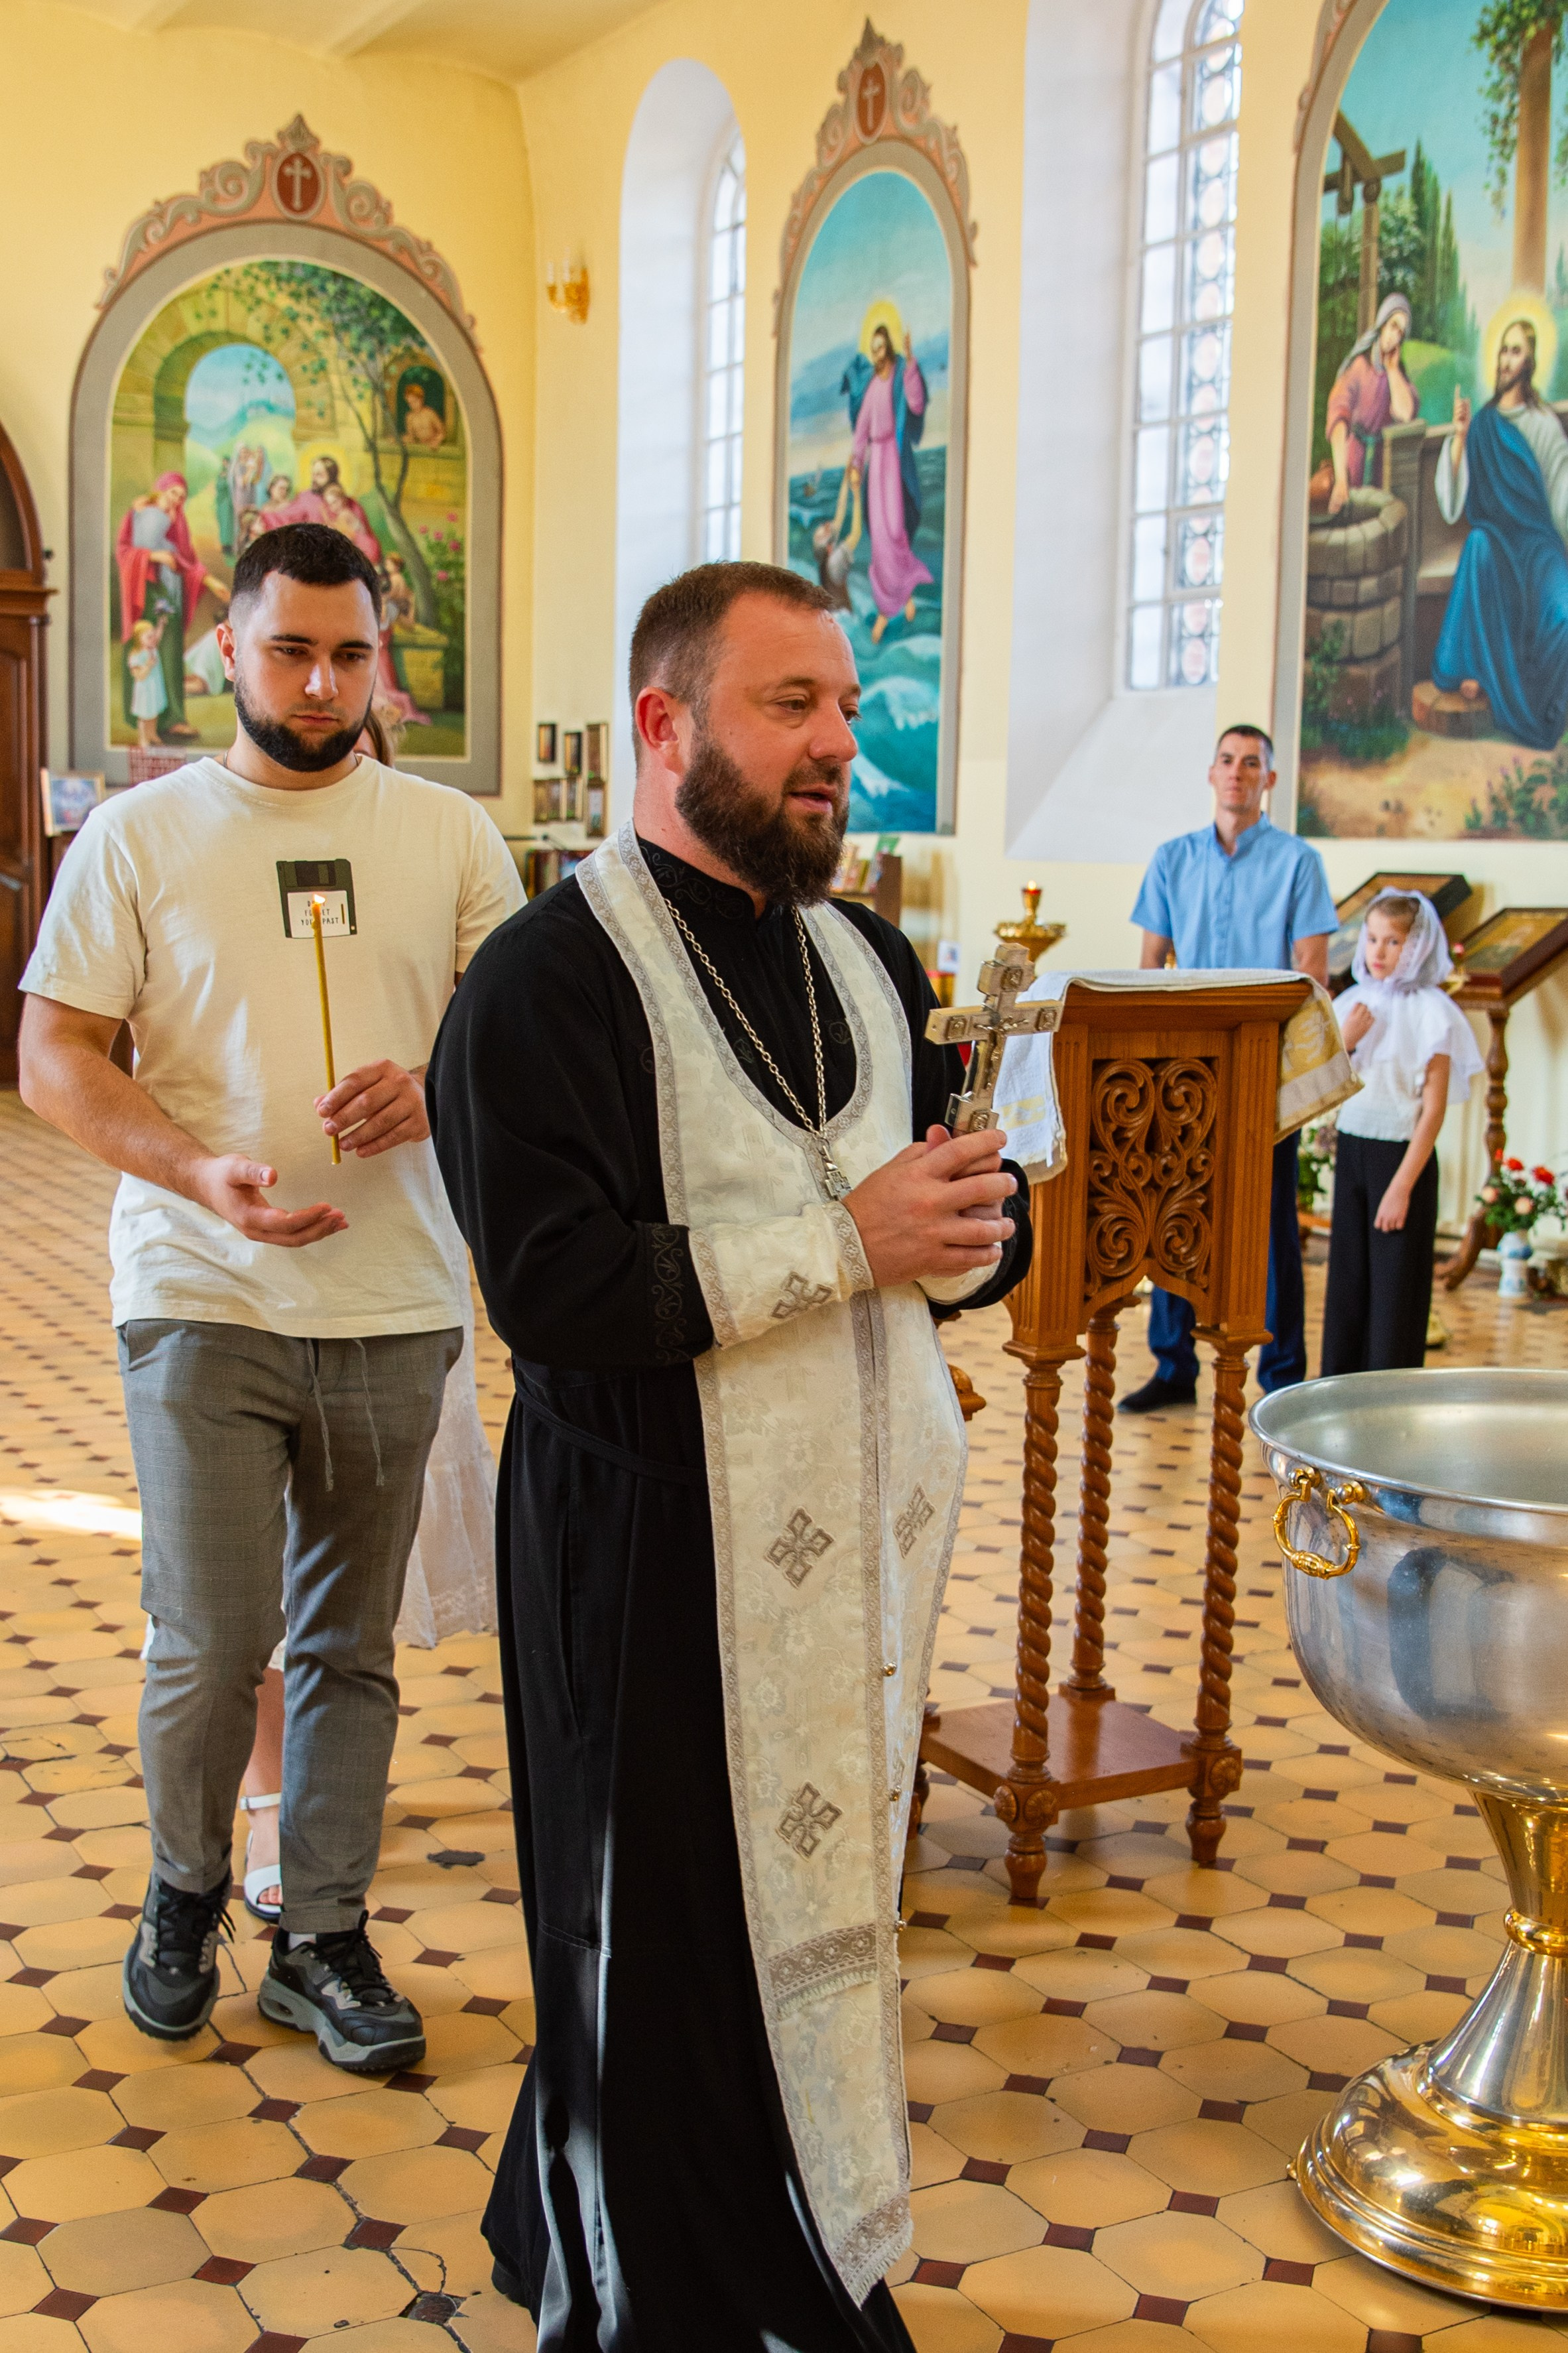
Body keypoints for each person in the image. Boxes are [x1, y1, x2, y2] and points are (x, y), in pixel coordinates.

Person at [426, 559, 1034, 2349]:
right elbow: (551, 1291)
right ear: (662, 724)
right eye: (793, 707)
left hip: (844, 1548)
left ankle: (777, 2226)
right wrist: (851, 1240)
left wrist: (967, 1232)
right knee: (654, 1935)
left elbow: (909, 1220)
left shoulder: (861, 952)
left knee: (808, 1915)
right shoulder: (542, 980)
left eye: (847, 705)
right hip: (641, 1552)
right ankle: (650, 2290)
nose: (839, 740)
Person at [17, 521, 522, 2068]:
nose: (320, 681)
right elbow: (53, 1054)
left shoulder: (453, 839)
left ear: (385, 663)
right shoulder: (139, 836)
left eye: (350, 653)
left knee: (347, 1645)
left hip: (392, 1298)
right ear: (223, 651)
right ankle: (183, 1891)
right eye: (289, 648)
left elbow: (521, 1047)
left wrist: (438, 1082)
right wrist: (191, 1166)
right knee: (209, 1632)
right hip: (200, 1290)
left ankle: (321, 1931)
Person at [236, 698, 499, 1925]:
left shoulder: (441, 851)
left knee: (357, 1564)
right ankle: (263, 1792)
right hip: (243, 1270)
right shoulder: (213, 841)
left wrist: (430, 1085)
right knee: (247, 1561)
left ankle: (326, 1794)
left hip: (400, 1261)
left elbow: (497, 1026)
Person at [1121, 724, 1338, 1412]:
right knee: (1172, 1210)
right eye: (1226, 760)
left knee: (1270, 1220)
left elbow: (1311, 973)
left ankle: (1282, 1375)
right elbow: (1149, 963)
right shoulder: (1172, 858)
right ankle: (1173, 1367)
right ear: (1210, 773)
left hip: (1259, 1066)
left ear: (1269, 780)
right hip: (1181, 1070)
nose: (1237, 773)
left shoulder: (1298, 863)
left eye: (1252, 763)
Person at [1320, 889, 1482, 1373]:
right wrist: (1345, 1042)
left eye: (1392, 942)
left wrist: (1400, 1187)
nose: (1378, 951)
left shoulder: (1434, 1014)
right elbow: (1325, 1086)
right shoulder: (1352, 1003)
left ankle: (1386, 1403)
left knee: (1394, 1293)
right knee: (1347, 1284)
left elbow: (1431, 1111)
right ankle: (1337, 1394)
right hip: (1352, 1150)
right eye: (1371, 939)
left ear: (1416, 948)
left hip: (1400, 1161)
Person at [1432, 316, 1568, 749]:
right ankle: (1478, 669)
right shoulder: (1483, 425)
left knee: (1563, 613)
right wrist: (1458, 438)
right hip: (1496, 538)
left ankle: (1532, 696)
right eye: (1502, 351)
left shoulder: (1543, 424)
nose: (1505, 360)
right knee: (1476, 545)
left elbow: (1560, 492)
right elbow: (1453, 501)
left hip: (1536, 546)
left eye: (1515, 352)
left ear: (1530, 363)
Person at [115, 474, 230, 741]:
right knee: (146, 650)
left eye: (182, 496)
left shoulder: (179, 522)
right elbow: (123, 551)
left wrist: (211, 581)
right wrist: (152, 556)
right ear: (162, 489)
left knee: (170, 654)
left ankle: (174, 719)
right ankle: (146, 721)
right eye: (173, 493)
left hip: (170, 594)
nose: (177, 499)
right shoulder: (140, 512)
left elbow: (186, 561)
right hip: (146, 593)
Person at [843, 314, 930, 643]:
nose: (878, 355)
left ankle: (902, 596)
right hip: (875, 466)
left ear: (889, 348)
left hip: (893, 459)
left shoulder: (898, 378)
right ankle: (886, 610)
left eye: (881, 349)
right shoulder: (871, 388)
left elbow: (917, 403)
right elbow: (861, 431)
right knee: (880, 540)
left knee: (896, 532)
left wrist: (911, 365)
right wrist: (855, 464)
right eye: (873, 350)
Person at [1324, 292, 1419, 515]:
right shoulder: (1359, 367)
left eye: (1401, 333)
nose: (1394, 336)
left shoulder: (1398, 376)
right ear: (1383, 324)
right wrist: (1340, 480)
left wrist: (1393, 370)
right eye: (1393, 326)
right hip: (1352, 464)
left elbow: (1405, 413)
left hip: (1381, 468)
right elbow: (1338, 420)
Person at [266, 456, 382, 564]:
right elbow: (285, 518)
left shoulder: (351, 504)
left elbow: (370, 547)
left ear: (332, 477)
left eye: (320, 475)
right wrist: (265, 514)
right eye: (313, 474)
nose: (314, 479)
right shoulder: (305, 498)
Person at [127, 617, 167, 747]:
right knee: (144, 716)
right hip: (144, 691)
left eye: (153, 636)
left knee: (154, 713)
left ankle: (152, 734)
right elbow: (139, 676)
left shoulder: (153, 648)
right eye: (149, 637)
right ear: (139, 639)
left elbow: (158, 636)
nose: (153, 639)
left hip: (154, 688)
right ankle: (143, 738)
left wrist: (161, 625)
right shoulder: (136, 655)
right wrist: (148, 666)